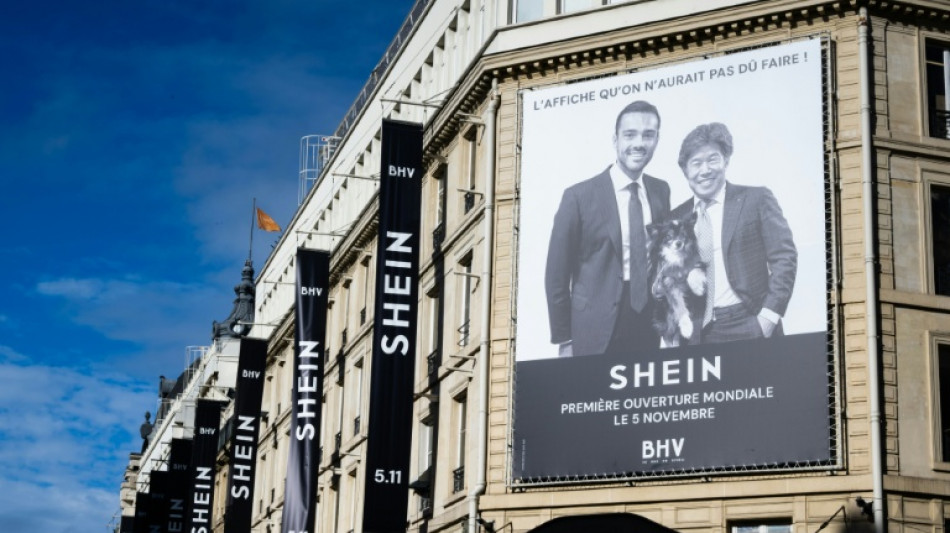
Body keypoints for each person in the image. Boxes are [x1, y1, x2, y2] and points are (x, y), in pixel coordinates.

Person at [545, 100, 671, 357]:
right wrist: (565, 339)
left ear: (657, 139)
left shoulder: (660, 190)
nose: (639, 143)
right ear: (615, 140)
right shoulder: (578, 197)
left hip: (648, 321)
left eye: (649, 135)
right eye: (630, 135)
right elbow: (556, 276)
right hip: (593, 329)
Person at [670, 122, 797, 344]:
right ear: (685, 170)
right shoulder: (676, 217)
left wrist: (768, 317)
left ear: (726, 160)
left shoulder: (756, 199)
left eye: (712, 159)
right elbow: (664, 273)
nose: (705, 170)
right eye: (696, 163)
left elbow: (784, 257)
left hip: (750, 321)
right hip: (699, 332)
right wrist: (687, 274)